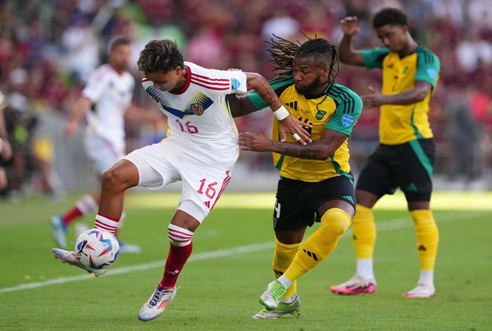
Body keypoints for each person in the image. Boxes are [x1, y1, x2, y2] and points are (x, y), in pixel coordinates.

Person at [52, 39, 310, 322]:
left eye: (161, 80)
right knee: (114, 177)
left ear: (179, 70)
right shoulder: (149, 82)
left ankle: (166, 287)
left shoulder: (208, 78)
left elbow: (258, 80)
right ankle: (100, 251)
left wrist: (283, 117)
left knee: (178, 232)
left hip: (213, 161)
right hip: (176, 147)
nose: (155, 86)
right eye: (151, 79)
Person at [229, 36, 362, 318]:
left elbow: (325, 150)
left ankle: (281, 286)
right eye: (295, 69)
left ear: (324, 73)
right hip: (291, 179)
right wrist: (227, 85)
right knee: (284, 250)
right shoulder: (282, 87)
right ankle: (288, 300)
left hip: (331, 178)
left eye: (305, 71)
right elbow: (237, 108)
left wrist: (270, 145)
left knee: (337, 222)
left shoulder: (348, 100)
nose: (298, 76)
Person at [330, 8, 440, 298]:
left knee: (419, 211)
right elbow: (347, 57)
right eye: (381, 37)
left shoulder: (426, 58)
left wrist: (382, 100)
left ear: (404, 28)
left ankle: (426, 283)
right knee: (360, 203)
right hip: (388, 146)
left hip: (415, 144)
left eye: (389, 35)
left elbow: (419, 92)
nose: (386, 41)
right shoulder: (384, 56)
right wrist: (347, 36)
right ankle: (364, 276)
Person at [50, 36, 160, 253]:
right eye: (121, 53)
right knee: (119, 186)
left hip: (114, 138)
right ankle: (113, 242)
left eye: (128, 54)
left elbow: (125, 111)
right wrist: (73, 122)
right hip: (101, 137)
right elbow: (86, 99)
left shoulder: (127, 81)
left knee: (110, 190)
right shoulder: (102, 75)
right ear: (112, 54)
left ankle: (64, 221)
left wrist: (149, 117)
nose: (125, 57)